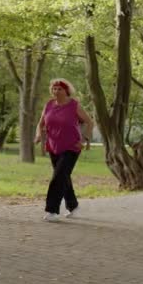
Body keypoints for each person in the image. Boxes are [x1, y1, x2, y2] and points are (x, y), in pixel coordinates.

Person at [34, 78, 94, 222]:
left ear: (66, 90)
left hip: (72, 147)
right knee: (63, 177)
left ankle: (52, 211)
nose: (56, 91)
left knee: (58, 177)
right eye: (54, 89)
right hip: (54, 147)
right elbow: (40, 123)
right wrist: (38, 135)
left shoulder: (74, 105)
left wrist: (84, 139)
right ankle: (73, 207)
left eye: (59, 89)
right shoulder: (48, 105)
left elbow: (90, 122)